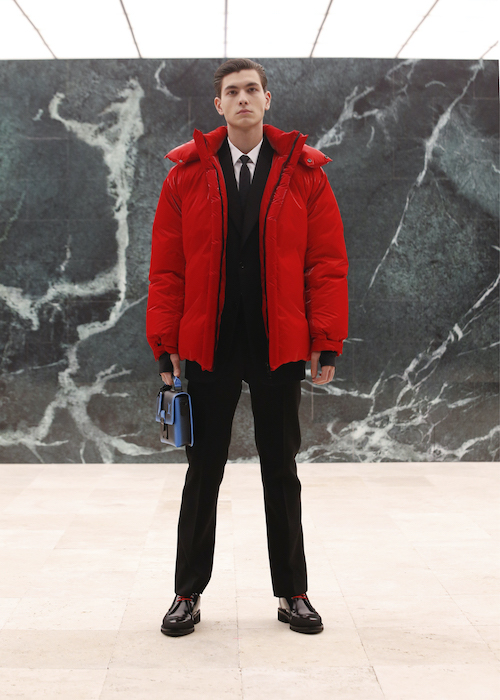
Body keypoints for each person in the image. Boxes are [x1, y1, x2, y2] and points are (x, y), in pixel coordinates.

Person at [146, 58, 348, 637]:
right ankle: (186, 594)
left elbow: (326, 265)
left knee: (281, 470)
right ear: (218, 105)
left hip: (277, 343)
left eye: (251, 89)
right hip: (207, 344)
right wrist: (166, 343)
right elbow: (167, 270)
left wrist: (325, 340)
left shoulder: (306, 174)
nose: (242, 99)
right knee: (202, 472)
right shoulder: (185, 175)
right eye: (231, 91)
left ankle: (293, 593)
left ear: (267, 99)